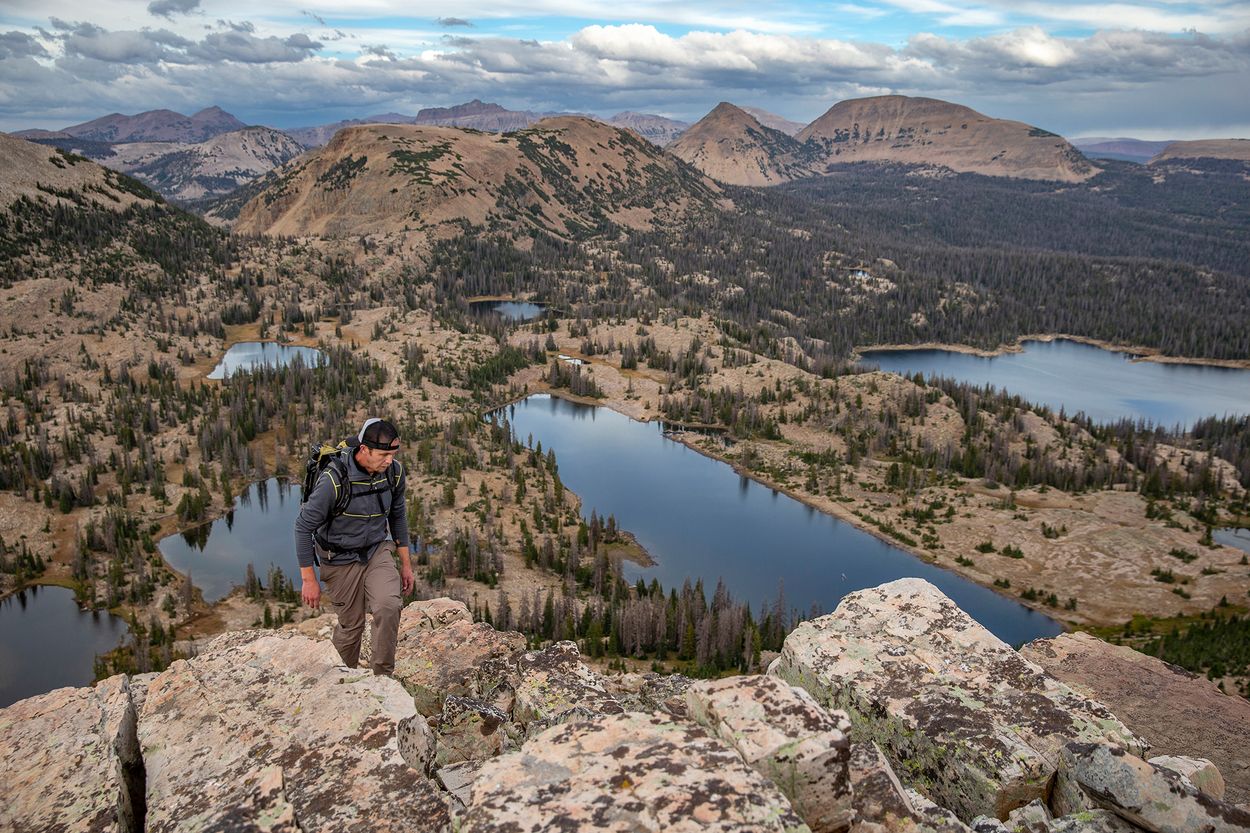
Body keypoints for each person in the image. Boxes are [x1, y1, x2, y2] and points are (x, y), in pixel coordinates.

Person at [295, 418, 415, 675]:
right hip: (338, 558)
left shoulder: (393, 473)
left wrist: (406, 565)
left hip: (375, 550)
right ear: (364, 450)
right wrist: (309, 579)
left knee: (388, 605)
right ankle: (341, 681)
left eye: (392, 455)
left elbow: (398, 517)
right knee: (351, 627)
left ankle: (382, 677)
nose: (389, 461)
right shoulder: (334, 479)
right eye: (383, 455)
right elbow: (303, 527)